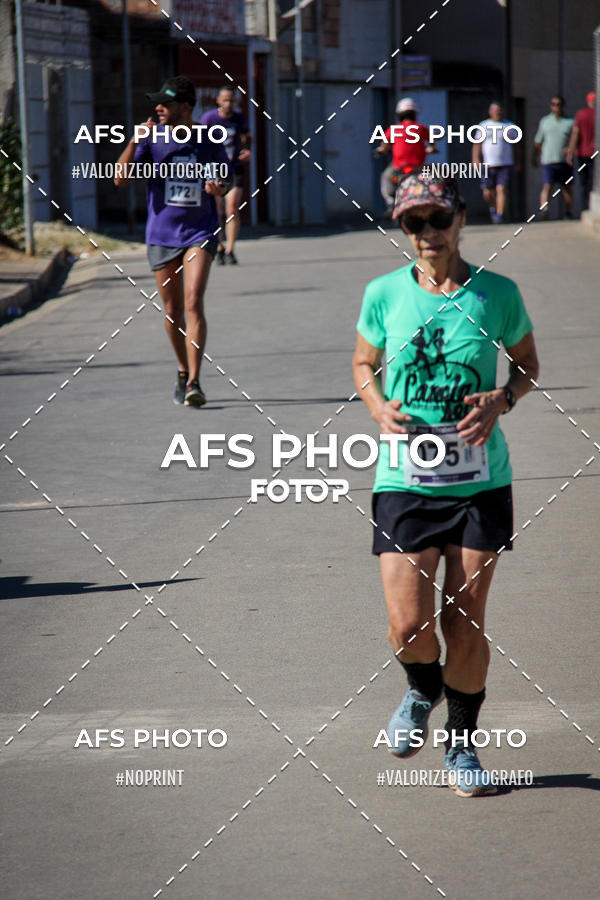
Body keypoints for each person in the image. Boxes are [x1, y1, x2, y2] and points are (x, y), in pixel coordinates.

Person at [352, 173, 539, 797]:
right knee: (408, 627)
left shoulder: (497, 294)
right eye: (414, 222)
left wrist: (503, 399)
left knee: (463, 624)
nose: (427, 232)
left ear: (460, 219)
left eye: (437, 219)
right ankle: (422, 688)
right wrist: (377, 405)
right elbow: (363, 363)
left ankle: (461, 745)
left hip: (480, 480)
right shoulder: (384, 293)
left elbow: (527, 366)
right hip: (404, 479)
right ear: (403, 229)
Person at [114, 76, 230, 407]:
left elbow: (223, 177)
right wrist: (134, 141)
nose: (159, 108)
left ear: (186, 106)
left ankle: (194, 382)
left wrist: (218, 187)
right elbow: (120, 178)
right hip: (162, 235)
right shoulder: (151, 139)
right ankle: (182, 370)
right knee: (172, 310)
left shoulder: (208, 139)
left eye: (166, 103)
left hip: (200, 232)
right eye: (158, 103)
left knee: (193, 301)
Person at [200, 87, 251, 265]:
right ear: (218, 101)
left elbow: (247, 137)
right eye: (225, 100)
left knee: (232, 209)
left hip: (234, 168)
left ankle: (230, 249)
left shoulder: (240, 119)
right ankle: (219, 246)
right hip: (214, 169)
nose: (228, 103)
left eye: (231, 100)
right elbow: (199, 140)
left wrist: (247, 150)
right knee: (216, 209)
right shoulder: (209, 119)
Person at [377, 98, 435, 214]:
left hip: (399, 166)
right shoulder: (421, 128)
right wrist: (431, 149)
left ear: (399, 114)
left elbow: (384, 146)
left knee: (386, 177)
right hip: (418, 166)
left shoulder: (393, 129)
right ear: (414, 114)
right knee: (432, 179)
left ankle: (390, 202)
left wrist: (382, 150)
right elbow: (432, 143)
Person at [472, 102, 520, 223]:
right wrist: (475, 159)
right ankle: (494, 208)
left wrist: (518, 161)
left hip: (505, 163)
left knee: (501, 189)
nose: (498, 112)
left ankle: (499, 215)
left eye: (499, 110)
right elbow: (477, 144)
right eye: (495, 110)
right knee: (487, 193)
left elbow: (516, 146)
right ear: (490, 112)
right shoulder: (484, 125)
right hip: (488, 164)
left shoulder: (509, 126)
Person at [532, 95, 574, 219]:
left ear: (563, 106)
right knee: (547, 185)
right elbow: (538, 142)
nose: (556, 107)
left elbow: (575, 140)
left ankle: (568, 212)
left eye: (559, 104)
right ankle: (544, 210)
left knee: (566, 187)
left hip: (565, 161)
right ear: (551, 106)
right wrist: (534, 157)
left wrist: (570, 149)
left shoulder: (570, 122)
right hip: (548, 160)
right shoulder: (545, 121)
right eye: (554, 104)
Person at [566, 92, 596, 211]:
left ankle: (585, 207)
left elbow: (575, 134)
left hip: (583, 154)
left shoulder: (581, 114)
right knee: (594, 182)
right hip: (595, 154)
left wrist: (570, 152)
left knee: (584, 182)